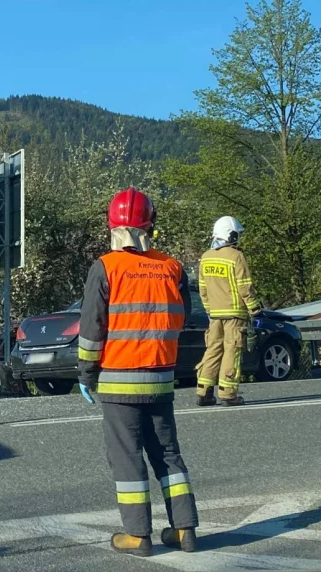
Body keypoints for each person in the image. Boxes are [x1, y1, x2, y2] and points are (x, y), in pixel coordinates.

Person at [77, 187, 199, 557]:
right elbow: (182, 319)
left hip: (119, 382)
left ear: (112, 226)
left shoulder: (106, 267)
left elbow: (92, 328)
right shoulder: (172, 268)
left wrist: (86, 374)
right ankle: (185, 529)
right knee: (168, 454)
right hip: (160, 379)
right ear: (150, 225)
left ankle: (137, 535)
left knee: (127, 456)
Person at [196, 216, 262, 407]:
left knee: (213, 350)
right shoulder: (236, 256)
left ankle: (203, 391)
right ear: (230, 235)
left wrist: (209, 309)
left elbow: (203, 289)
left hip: (215, 315)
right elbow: (244, 286)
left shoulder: (206, 257)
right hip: (234, 314)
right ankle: (228, 393)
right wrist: (255, 309)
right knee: (232, 351)